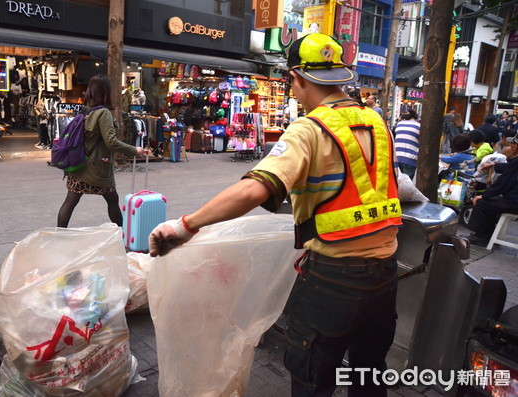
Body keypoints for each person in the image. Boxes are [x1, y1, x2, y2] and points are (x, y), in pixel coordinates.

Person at [149, 33, 402, 397]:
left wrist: (186, 225)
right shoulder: (379, 124)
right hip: (385, 276)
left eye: (293, 83)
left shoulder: (309, 129)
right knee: (368, 373)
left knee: (312, 377)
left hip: (334, 279)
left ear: (296, 78)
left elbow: (255, 189)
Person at [57, 74, 145, 228]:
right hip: (96, 168)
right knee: (112, 199)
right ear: (106, 92)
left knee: (70, 201)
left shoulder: (87, 110)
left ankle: (59, 234)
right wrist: (135, 150)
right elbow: (111, 142)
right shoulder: (103, 113)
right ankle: (123, 234)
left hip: (79, 164)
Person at [465, 133, 518, 247]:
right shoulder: (515, 162)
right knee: (492, 201)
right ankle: (488, 234)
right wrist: (494, 165)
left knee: (482, 203)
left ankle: (481, 236)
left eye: (513, 144)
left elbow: (503, 183)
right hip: (514, 199)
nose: (511, 146)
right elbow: (509, 168)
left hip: (514, 202)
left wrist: (484, 196)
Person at [394, 109, 421, 180]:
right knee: (407, 185)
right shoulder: (419, 126)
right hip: (411, 158)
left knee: (397, 182)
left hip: (397, 157)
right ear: (416, 118)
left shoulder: (399, 124)